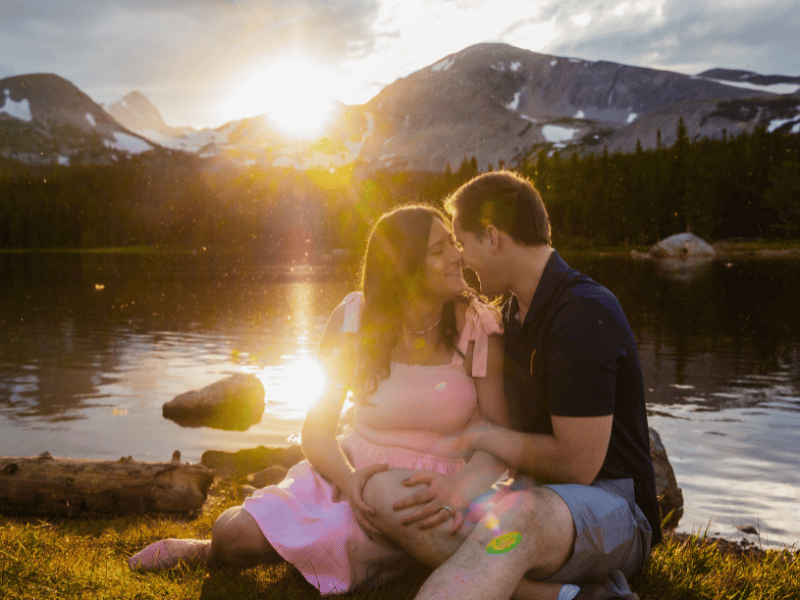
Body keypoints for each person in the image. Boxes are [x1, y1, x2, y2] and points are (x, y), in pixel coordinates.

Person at [129, 204, 543, 594]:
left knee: (433, 535)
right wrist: (350, 482)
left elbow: (498, 435)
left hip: (446, 486)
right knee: (232, 535)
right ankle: (205, 550)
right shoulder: (353, 320)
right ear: (404, 269)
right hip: (353, 471)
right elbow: (318, 428)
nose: (458, 256)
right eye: (440, 249)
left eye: (453, 243)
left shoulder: (477, 325)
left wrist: (458, 487)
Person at [360, 171, 661, 600]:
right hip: (534, 495)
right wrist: (460, 486)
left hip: (615, 510)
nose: (460, 259)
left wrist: (486, 437)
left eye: (462, 244)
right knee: (387, 491)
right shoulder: (511, 316)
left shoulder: (582, 314)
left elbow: (580, 467)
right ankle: (569, 596)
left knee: (514, 521)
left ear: (493, 238)